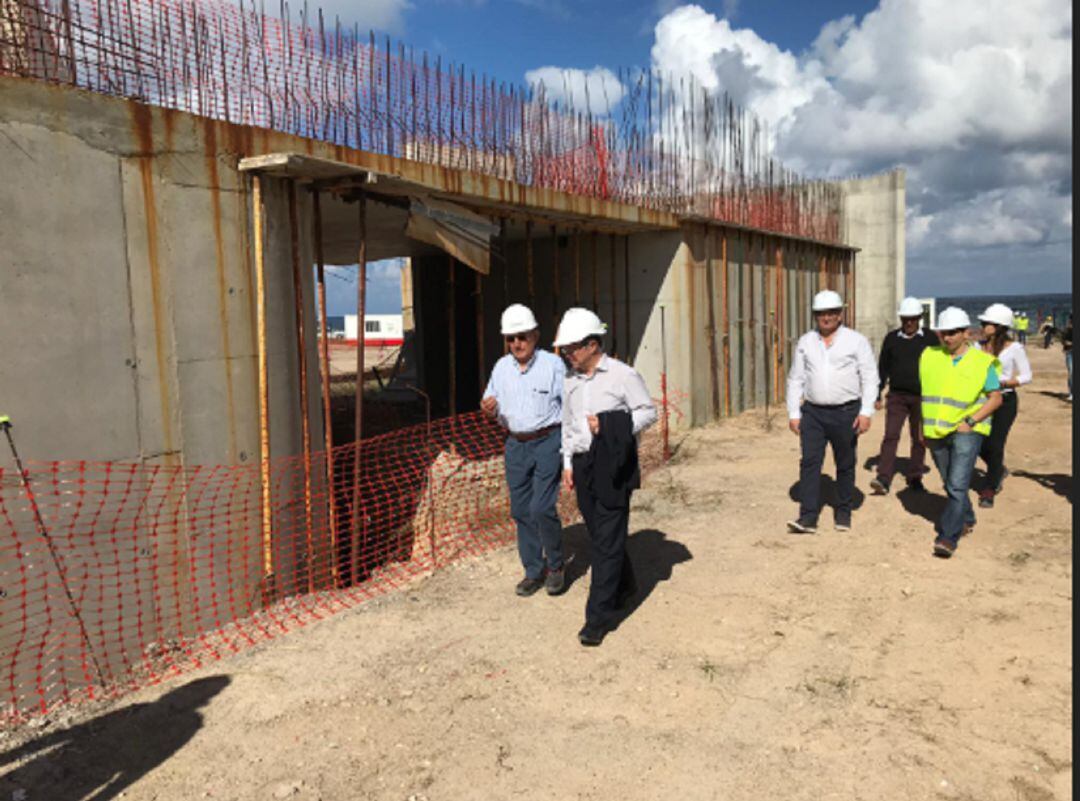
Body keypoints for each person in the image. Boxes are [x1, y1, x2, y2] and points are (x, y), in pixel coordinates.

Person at [555, 307, 657, 646]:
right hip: (584, 465)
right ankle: (626, 585)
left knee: (606, 543)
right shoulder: (569, 379)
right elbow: (568, 424)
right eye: (564, 349)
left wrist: (614, 423)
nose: (567, 354)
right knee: (603, 537)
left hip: (613, 465)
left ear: (592, 345)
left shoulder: (622, 375)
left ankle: (597, 618)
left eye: (571, 348)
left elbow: (648, 412)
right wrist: (567, 463)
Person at [481, 304, 567, 597]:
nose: (516, 343)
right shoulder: (501, 367)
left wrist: (569, 453)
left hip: (547, 440)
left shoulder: (553, 365)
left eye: (522, 337)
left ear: (535, 335)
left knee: (541, 507)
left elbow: (568, 408)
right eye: (510, 338)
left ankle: (555, 566)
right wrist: (488, 409)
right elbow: (489, 404)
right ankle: (533, 570)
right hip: (515, 444)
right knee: (520, 510)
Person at [785, 290, 878, 534]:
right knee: (810, 462)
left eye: (831, 313)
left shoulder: (856, 341)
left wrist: (866, 412)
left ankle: (843, 511)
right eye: (821, 313)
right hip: (813, 413)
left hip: (846, 412)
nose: (826, 317)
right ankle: (807, 516)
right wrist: (794, 412)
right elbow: (796, 378)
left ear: (840, 314)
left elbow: (870, 377)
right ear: (815, 316)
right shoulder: (806, 342)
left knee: (845, 463)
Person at [919, 307, 1003, 558]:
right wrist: (921, 428)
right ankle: (966, 516)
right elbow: (923, 394)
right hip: (935, 430)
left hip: (967, 429)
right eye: (944, 333)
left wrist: (971, 420)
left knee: (957, 484)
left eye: (953, 333)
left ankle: (948, 536)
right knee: (948, 481)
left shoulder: (982, 362)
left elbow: (995, 399)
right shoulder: (929, 355)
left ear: (967, 333)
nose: (947, 338)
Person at [870, 297, 933, 496]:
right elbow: (882, 368)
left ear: (919, 318)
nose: (909, 323)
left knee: (919, 438)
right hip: (897, 396)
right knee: (891, 435)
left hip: (922, 397)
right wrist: (877, 393)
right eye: (905, 319)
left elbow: (941, 367)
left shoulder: (930, 339)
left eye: (913, 319)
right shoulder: (891, 339)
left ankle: (915, 477)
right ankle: (883, 477)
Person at [975, 304, 1031, 509]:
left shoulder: (1014, 348)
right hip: (982, 400)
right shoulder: (976, 347)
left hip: (1005, 401)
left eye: (986, 323)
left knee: (995, 444)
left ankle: (990, 487)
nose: (982, 326)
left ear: (999, 326)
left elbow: (1027, 376)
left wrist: (1005, 383)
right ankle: (997, 469)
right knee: (978, 443)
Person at [1062, 314, 1072, 401]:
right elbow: (1063, 340)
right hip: (1069, 352)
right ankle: (1071, 393)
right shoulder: (1067, 330)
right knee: (1071, 372)